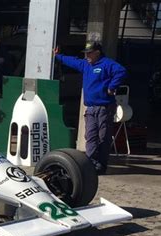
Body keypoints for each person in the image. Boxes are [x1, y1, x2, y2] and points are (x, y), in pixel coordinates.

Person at [54, 41, 127, 174]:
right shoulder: (86, 64)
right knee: (90, 136)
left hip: (104, 107)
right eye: (86, 53)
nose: (87, 55)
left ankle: (101, 164)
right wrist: (58, 56)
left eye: (89, 53)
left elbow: (121, 71)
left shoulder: (107, 64)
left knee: (103, 137)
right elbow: (73, 61)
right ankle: (90, 163)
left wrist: (112, 86)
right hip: (91, 108)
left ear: (97, 53)